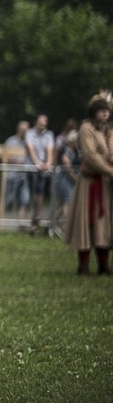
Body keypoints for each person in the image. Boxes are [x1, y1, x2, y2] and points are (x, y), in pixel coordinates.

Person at [64, 93, 113, 276]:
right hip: (90, 183)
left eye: (106, 111)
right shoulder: (86, 128)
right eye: (101, 111)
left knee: (104, 225)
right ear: (94, 112)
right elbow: (90, 156)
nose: (105, 114)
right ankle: (83, 266)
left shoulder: (108, 130)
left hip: (105, 184)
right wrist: (110, 170)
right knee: (86, 223)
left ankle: (103, 265)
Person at [24, 114, 56, 236]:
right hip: (32, 169)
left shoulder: (49, 134)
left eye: (44, 124)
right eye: (41, 123)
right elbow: (30, 149)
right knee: (37, 192)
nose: (43, 126)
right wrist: (38, 164)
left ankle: (42, 221)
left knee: (44, 194)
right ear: (36, 122)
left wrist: (47, 164)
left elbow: (50, 150)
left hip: (45, 169)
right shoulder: (30, 134)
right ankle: (35, 219)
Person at [2, 121, 30, 222]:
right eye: (23, 130)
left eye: (27, 130)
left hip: (23, 176)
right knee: (7, 201)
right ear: (19, 130)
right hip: (11, 176)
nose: (25, 132)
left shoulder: (28, 143)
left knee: (24, 200)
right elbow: (5, 156)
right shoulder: (11, 141)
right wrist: (16, 163)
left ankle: (21, 224)